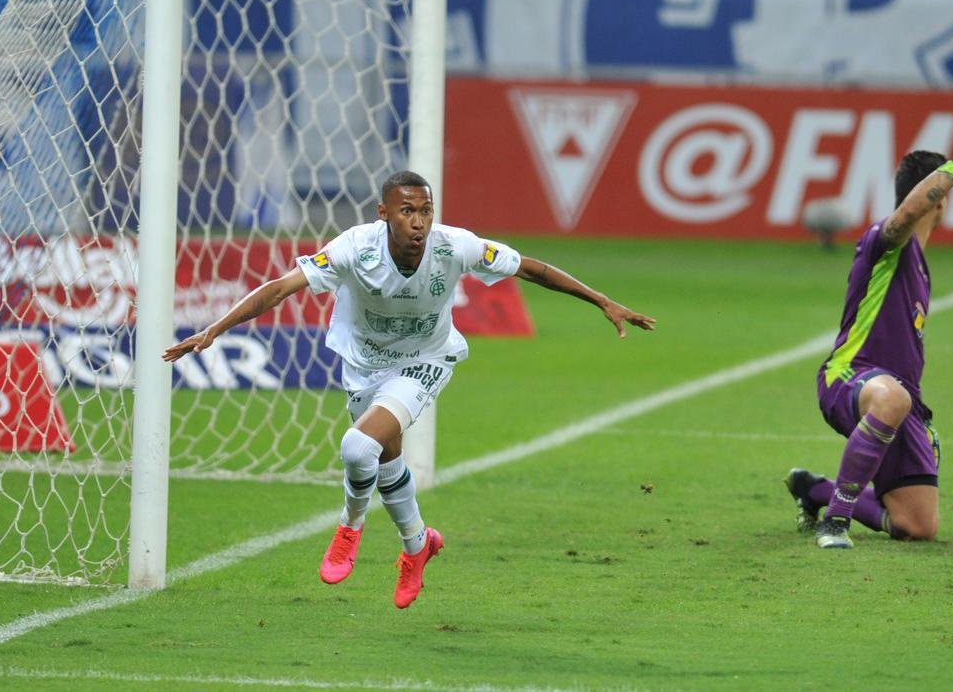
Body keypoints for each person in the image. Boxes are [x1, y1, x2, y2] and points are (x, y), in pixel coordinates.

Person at [164, 171, 655, 606]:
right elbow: (281, 287)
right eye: (407, 212)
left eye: (425, 210)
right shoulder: (354, 248)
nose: (418, 222)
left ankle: (349, 528)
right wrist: (215, 329)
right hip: (363, 365)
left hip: (425, 361)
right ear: (384, 214)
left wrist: (601, 301)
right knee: (384, 459)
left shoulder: (454, 245)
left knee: (358, 447)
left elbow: (530, 267)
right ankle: (418, 546)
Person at [785, 104, 953, 549]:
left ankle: (817, 490)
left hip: (901, 400)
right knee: (891, 397)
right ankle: (836, 522)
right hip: (850, 377)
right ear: (939, 199)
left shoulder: (922, 267)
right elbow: (904, 218)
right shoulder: (884, 243)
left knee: (917, 527)